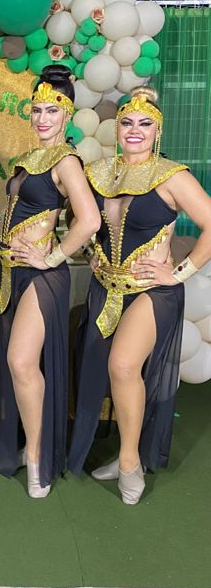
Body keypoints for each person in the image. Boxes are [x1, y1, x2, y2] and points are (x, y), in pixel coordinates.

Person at [68, 86, 211, 504]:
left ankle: (130, 462)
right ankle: (124, 453)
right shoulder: (99, 172)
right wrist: (91, 254)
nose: (135, 130)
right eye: (127, 122)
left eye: (145, 123)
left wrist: (179, 273)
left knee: (123, 365)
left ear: (157, 130)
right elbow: (84, 222)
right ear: (117, 128)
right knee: (108, 373)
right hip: (106, 289)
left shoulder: (172, 176)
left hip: (152, 292)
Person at [0, 66, 100, 497]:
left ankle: (38, 454)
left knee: (21, 362)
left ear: (67, 114)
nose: (42, 118)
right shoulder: (28, 159)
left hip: (41, 277)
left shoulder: (65, 161)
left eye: (51, 111)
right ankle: (31, 444)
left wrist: (51, 256)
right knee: (18, 365)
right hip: (11, 274)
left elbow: (89, 220)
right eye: (36, 110)